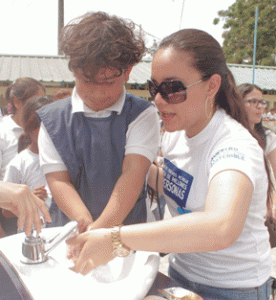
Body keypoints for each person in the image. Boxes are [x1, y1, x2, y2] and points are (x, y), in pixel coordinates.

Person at [66, 29, 273, 300]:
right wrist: (130, 161)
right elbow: (180, 184)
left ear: (211, 85)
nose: (159, 99)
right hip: (181, 275)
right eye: (154, 88)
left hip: (233, 288)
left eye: (173, 88)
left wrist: (116, 238)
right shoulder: (175, 134)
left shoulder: (233, 145)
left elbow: (220, 226)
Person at [37, 12, 160, 231]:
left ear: (127, 72)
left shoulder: (142, 114)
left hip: (126, 231)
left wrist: (99, 232)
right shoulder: (52, 120)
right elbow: (59, 180)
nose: (97, 93)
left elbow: (132, 174)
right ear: (73, 71)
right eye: (87, 80)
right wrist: (84, 222)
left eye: (108, 82)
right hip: (71, 226)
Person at [0, 77, 46, 237]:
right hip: (10, 219)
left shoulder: (49, 135)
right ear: (18, 102)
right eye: (36, 100)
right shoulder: (3, 133)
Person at [3, 96, 54, 233]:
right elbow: (6, 212)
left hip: (63, 232)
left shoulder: (66, 158)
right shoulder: (19, 163)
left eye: (50, 124)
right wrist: (28, 199)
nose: (44, 130)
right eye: (37, 125)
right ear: (27, 128)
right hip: (33, 236)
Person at [238, 83, 276, 216]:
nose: (260, 106)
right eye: (253, 101)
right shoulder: (227, 136)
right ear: (238, 103)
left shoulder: (268, 138)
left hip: (261, 215)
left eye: (262, 102)